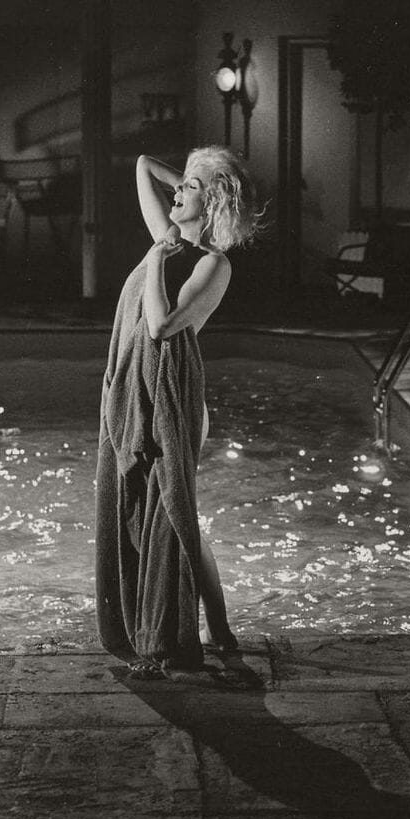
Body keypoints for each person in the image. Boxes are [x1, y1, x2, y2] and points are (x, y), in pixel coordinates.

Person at [95, 146, 259, 679]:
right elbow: (143, 163)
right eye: (180, 184)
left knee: (175, 513)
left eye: (189, 188)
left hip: (175, 403)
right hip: (136, 395)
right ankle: (218, 625)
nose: (176, 191)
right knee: (164, 515)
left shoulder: (212, 263)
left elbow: (161, 324)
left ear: (212, 203)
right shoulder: (168, 238)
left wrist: (154, 260)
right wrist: (195, 180)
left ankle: (211, 626)